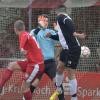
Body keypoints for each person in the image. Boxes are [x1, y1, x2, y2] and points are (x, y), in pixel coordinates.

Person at [0, 20, 44, 100]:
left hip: (36, 65)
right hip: (31, 62)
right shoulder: (26, 34)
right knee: (11, 65)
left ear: (15, 29)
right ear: (23, 28)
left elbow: (24, 41)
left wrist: (22, 48)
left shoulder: (24, 35)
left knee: (24, 87)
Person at [49, 5, 86, 100]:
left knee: (70, 74)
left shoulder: (61, 17)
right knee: (59, 68)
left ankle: (74, 98)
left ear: (59, 11)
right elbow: (60, 37)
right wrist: (51, 35)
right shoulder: (61, 23)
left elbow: (67, 22)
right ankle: (58, 89)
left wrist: (75, 33)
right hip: (66, 49)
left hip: (73, 49)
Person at [30, 14, 65, 100]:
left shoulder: (51, 32)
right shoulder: (35, 32)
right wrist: (39, 27)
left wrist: (58, 30)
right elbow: (30, 38)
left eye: (46, 21)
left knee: (58, 83)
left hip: (50, 63)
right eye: (43, 20)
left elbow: (62, 39)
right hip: (39, 63)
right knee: (34, 83)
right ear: (39, 22)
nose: (45, 22)